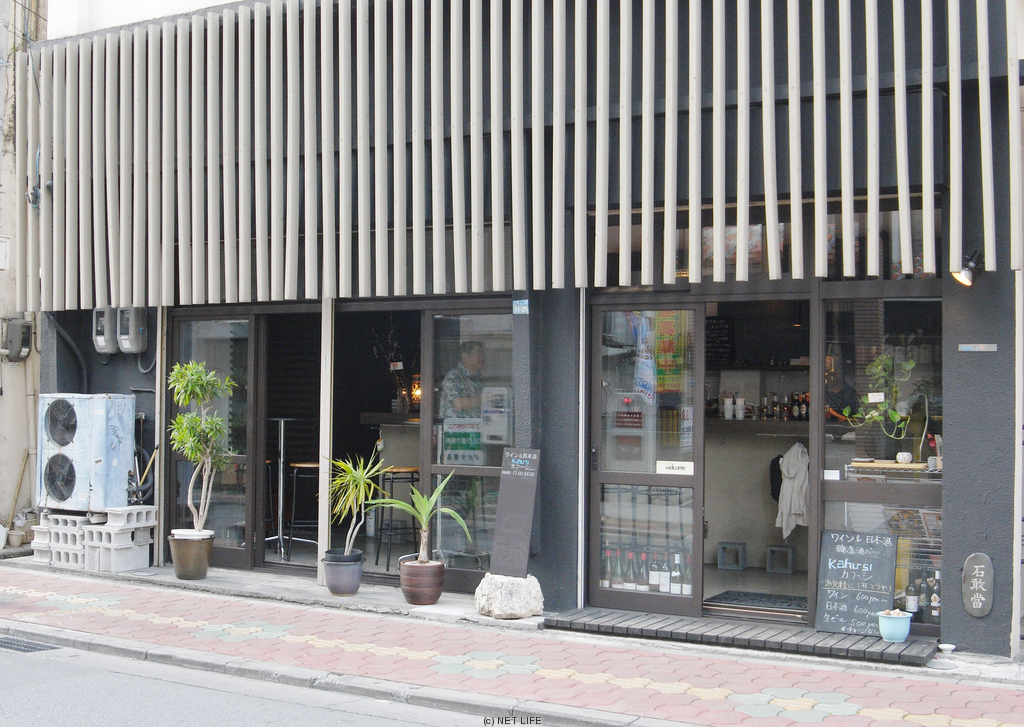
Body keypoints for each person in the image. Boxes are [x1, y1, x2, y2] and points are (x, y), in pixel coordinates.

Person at [439, 340, 485, 419]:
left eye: (483, 354)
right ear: (465, 357)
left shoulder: (479, 378)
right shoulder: (454, 376)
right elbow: (459, 404)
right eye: (478, 354)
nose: (482, 358)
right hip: (455, 426)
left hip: (476, 425)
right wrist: (487, 398)